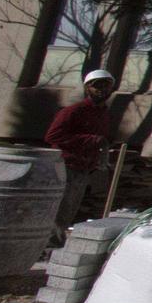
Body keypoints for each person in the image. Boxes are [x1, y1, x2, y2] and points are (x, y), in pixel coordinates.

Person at [45, 68, 116, 227]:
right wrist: (92, 140)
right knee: (59, 211)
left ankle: (55, 247)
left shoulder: (103, 113)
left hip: (84, 169)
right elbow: (52, 136)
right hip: (66, 168)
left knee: (69, 212)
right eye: (97, 85)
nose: (101, 90)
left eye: (106, 86)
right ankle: (46, 248)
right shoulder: (74, 111)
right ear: (87, 88)